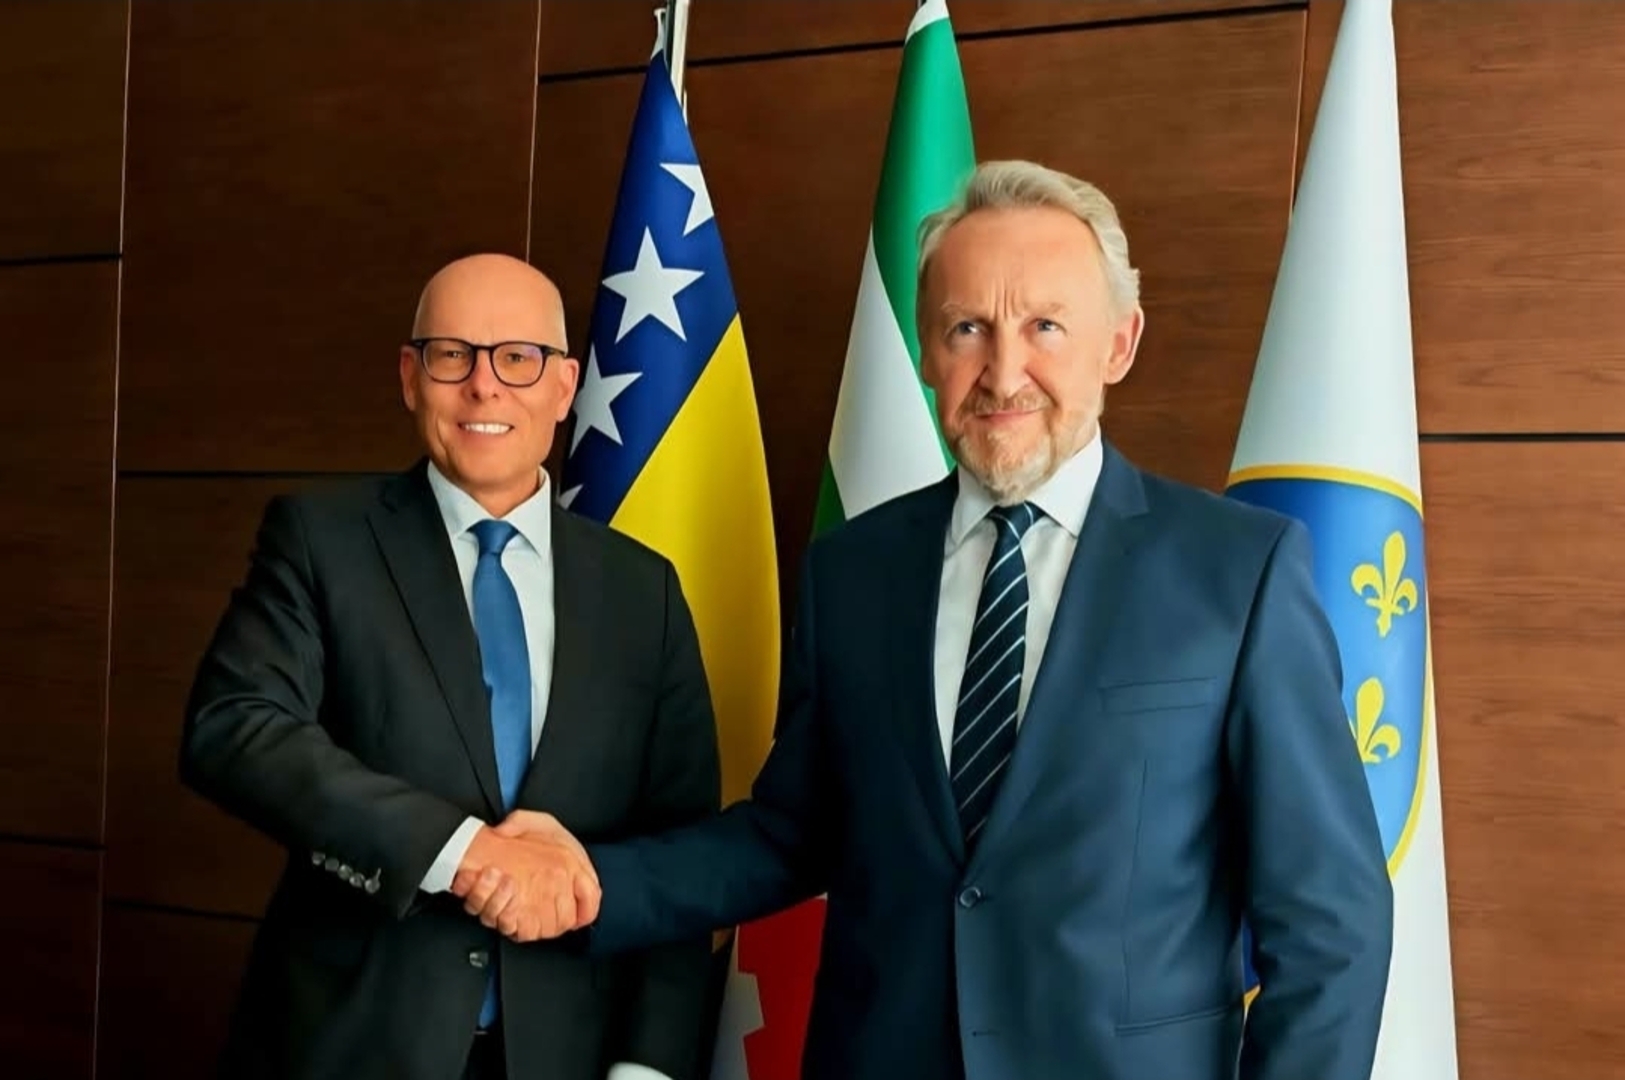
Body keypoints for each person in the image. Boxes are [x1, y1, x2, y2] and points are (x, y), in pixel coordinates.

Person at [462, 160, 1395, 1080]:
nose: (1003, 371)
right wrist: (590, 879)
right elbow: (791, 835)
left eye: (1044, 326)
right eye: (967, 328)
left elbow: (1330, 924)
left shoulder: (1237, 572)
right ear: (924, 351)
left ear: (1118, 343)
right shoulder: (854, 573)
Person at [180, 253, 717, 1080]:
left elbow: (682, 845)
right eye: (451, 355)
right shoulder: (321, 540)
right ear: (410, 377)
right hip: (351, 1046)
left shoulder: (644, 591)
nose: (483, 386)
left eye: (517, 357)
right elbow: (235, 728)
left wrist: (648, 1065)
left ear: (565, 387)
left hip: (570, 1051)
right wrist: (463, 852)